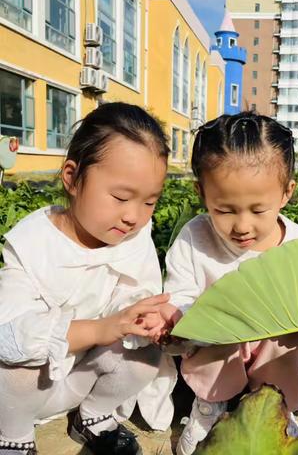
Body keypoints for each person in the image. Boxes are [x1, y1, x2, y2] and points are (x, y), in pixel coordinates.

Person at [0, 102, 179, 455]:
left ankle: (94, 414)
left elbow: (133, 293)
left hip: (83, 378)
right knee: (12, 371)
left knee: (145, 360)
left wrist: (143, 317)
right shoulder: (33, 244)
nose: (134, 217)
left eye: (149, 203)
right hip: (25, 391)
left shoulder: (134, 239)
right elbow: (8, 335)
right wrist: (100, 330)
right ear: (72, 178)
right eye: (121, 197)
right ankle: (13, 434)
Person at [162, 112, 298, 455]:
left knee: (288, 337)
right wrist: (181, 316)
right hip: (217, 348)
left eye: (258, 210)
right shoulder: (194, 238)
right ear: (201, 193)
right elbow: (180, 294)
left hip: (276, 350)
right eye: (225, 209)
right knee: (210, 322)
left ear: (287, 193)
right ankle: (209, 405)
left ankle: (274, 410)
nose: (242, 226)